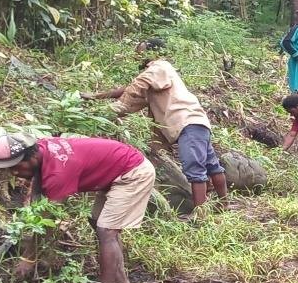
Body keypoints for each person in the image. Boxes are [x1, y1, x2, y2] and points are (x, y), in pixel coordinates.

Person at [0, 134, 156, 283]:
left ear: (32, 156)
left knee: (106, 230)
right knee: (99, 222)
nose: (14, 173)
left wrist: (29, 258)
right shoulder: (42, 147)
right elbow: (39, 186)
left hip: (133, 172)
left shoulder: (59, 172)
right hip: (118, 168)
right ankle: (121, 282)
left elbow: (48, 220)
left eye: (16, 166)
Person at [81, 39, 227, 209]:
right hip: (196, 122)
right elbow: (132, 98)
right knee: (211, 166)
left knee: (195, 172)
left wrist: (116, 105)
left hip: (187, 124)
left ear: (154, 53)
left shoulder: (159, 67)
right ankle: (224, 205)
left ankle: (202, 215)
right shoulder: (157, 80)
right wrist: (98, 101)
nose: (138, 56)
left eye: (141, 52)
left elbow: (136, 87)